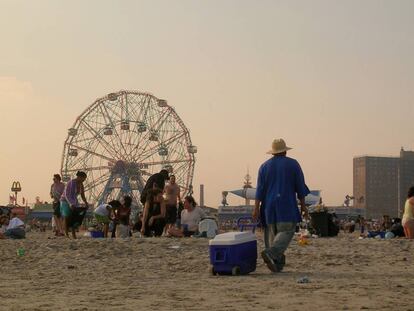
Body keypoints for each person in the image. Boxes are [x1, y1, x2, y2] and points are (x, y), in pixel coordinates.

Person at [253, 138, 309, 273]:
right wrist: (303, 206)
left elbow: (259, 190)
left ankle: (277, 263)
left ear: (273, 152)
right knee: (286, 231)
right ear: (285, 151)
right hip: (286, 205)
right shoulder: (293, 164)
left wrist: (255, 209)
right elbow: (300, 187)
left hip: (268, 207)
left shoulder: (264, 166)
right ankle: (272, 254)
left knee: (272, 235)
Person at [60, 171, 89, 239]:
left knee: (74, 218)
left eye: (84, 179)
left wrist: (86, 202)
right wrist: (70, 203)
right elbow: (67, 194)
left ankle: (73, 234)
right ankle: (66, 234)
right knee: (66, 217)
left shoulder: (81, 184)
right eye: (83, 178)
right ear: (79, 177)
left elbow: (82, 195)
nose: (84, 180)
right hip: (65, 201)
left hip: (74, 201)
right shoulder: (71, 183)